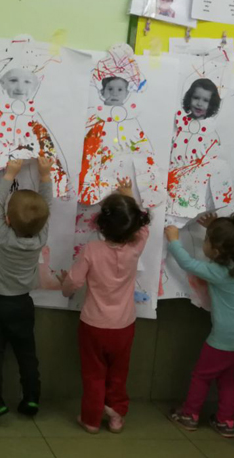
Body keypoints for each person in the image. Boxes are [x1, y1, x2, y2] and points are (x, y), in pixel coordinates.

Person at [60, 178, 151, 434]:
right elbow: (143, 228)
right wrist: (129, 195)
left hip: (93, 325)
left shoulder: (92, 249)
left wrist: (65, 287)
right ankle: (116, 416)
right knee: (118, 373)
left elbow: (74, 282)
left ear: (101, 224)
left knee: (94, 374)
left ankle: (91, 420)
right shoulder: (135, 248)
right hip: (124, 326)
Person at [165, 211, 234, 439]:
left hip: (223, 342)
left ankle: (190, 414)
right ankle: (226, 421)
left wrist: (174, 240)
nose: (205, 242)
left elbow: (187, 263)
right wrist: (214, 229)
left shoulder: (219, 272)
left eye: (207, 240)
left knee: (201, 376)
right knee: (229, 380)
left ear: (217, 252)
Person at [0, 157, 54, 422]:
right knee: (26, 353)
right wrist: (45, 176)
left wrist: (9, 174)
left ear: (7, 219)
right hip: (22, 305)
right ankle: (31, 397)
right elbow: (48, 207)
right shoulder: (41, 238)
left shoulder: (2, 235)